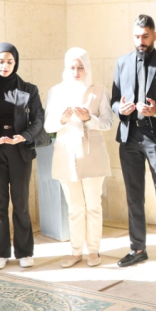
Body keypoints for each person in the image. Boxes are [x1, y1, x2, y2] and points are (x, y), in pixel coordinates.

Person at [110, 15, 156, 269]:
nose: (141, 41)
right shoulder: (122, 62)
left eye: (146, 36)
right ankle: (137, 249)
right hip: (129, 137)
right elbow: (114, 100)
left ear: (154, 36)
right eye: (137, 36)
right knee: (134, 196)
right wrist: (120, 109)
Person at [0, 43, 44, 269]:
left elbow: (38, 119)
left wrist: (24, 136)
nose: (5, 66)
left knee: (21, 202)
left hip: (20, 151)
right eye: (1, 61)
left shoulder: (29, 89)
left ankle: (24, 251)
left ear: (16, 63)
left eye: (9, 61)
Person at [43, 48, 115, 268]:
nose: (76, 72)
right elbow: (48, 126)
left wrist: (88, 118)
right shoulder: (56, 91)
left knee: (93, 205)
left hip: (93, 155)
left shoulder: (99, 90)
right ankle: (75, 251)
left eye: (80, 67)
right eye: (72, 67)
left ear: (87, 67)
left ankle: (93, 250)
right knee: (74, 207)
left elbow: (108, 122)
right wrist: (62, 120)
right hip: (66, 155)